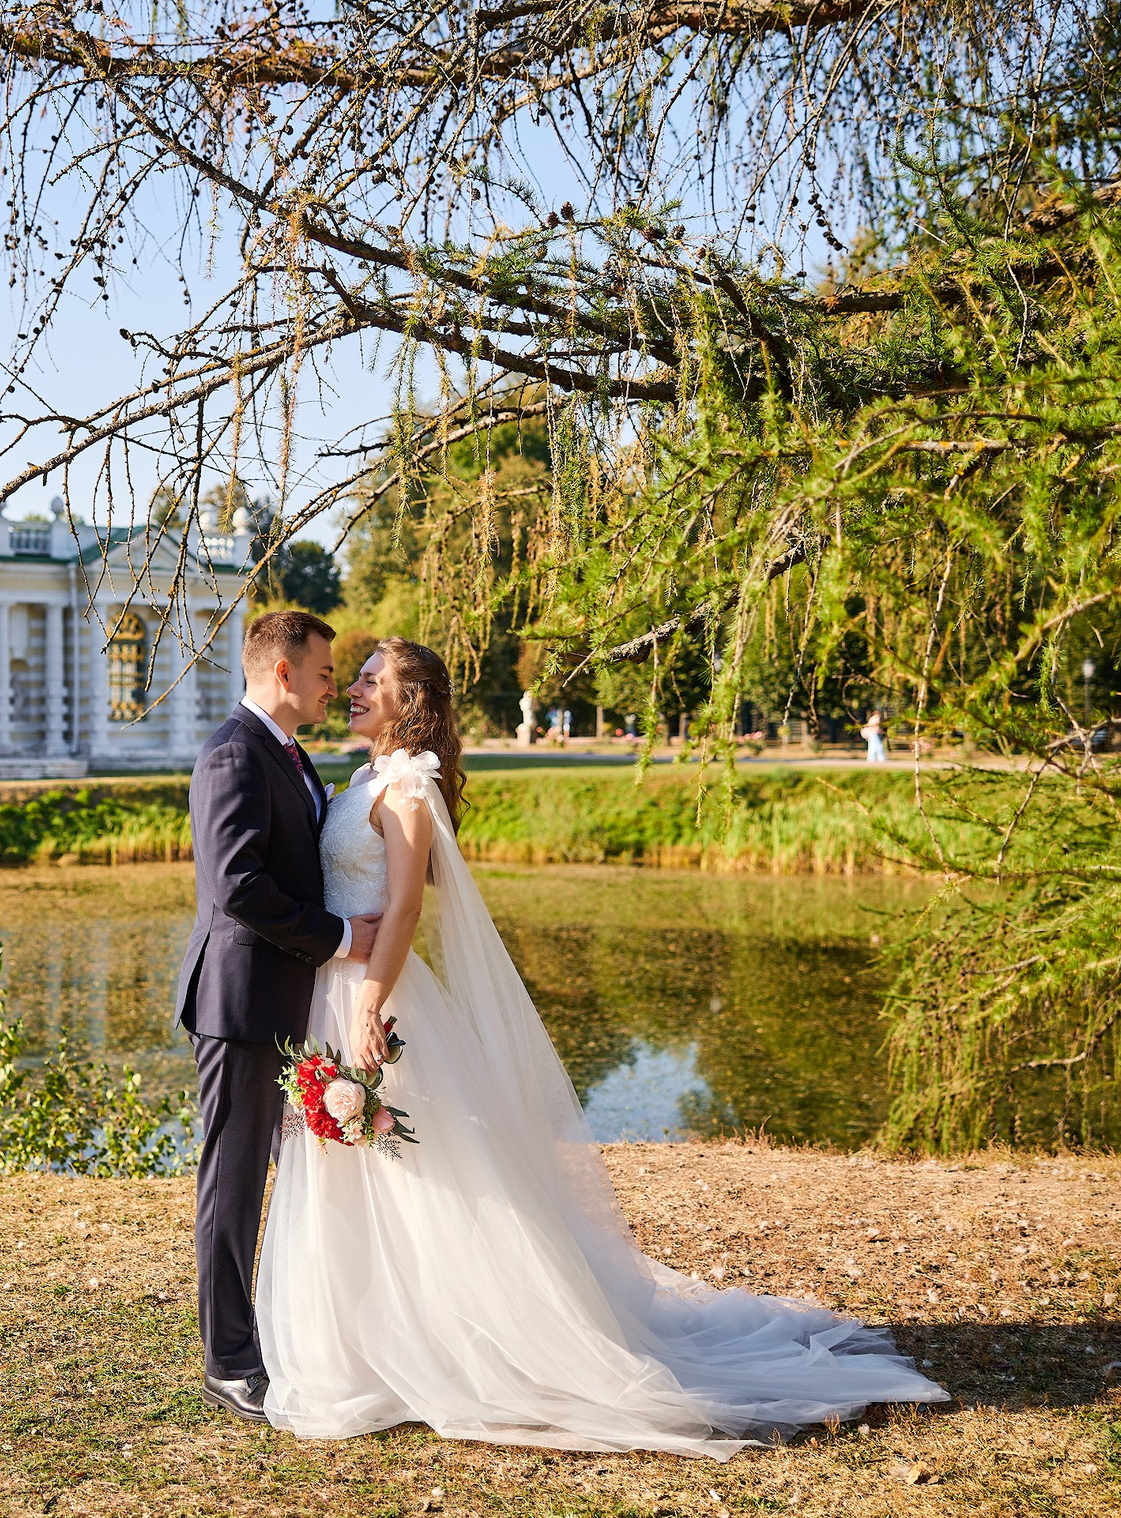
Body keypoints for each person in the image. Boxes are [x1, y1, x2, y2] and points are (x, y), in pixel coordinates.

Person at [255, 638, 945, 1457]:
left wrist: (370, 1002)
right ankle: (360, 1341)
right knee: (355, 1171)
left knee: (417, 1174)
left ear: (411, 702)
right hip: (335, 991)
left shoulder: (407, 787)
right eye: (357, 676)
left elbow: (404, 908)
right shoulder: (364, 776)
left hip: (379, 997)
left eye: (374, 679)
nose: (358, 687)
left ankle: (445, 1341)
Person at [179, 609, 379, 1423]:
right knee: (231, 1181)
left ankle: (270, 1333)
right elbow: (238, 884)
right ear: (284, 673)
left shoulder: (291, 755)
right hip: (240, 1002)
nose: (336, 684)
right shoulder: (233, 752)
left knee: (276, 1174)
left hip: (283, 1001)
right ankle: (228, 1360)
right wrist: (337, 936)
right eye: (327, 671)